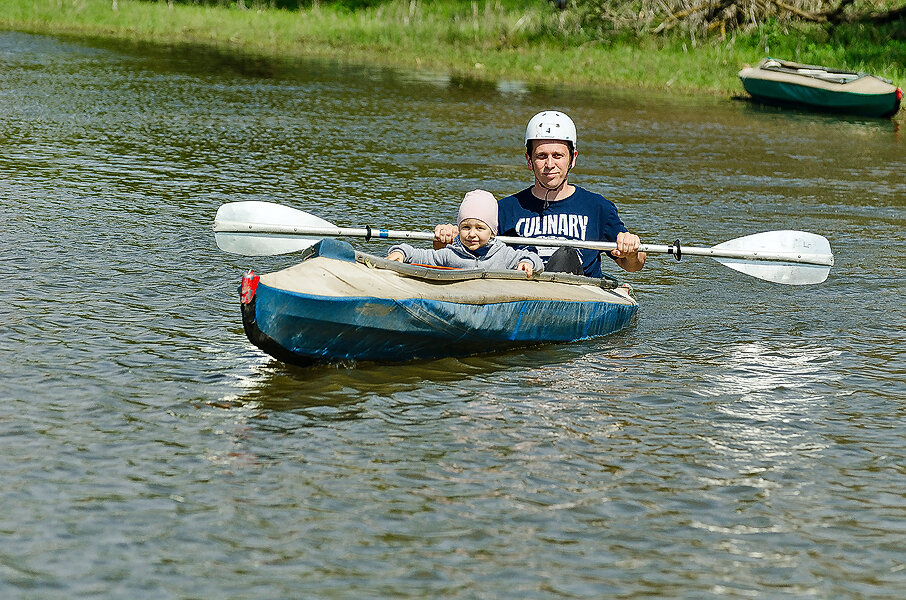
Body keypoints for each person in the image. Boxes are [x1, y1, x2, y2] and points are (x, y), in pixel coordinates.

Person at [434, 110, 646, 278]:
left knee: (566, 254)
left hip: (579, 294)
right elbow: (464, 252)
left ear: (572, 159)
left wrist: (631, 249)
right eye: (541, 156)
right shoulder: (504, 209)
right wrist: (444, 240)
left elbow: (633, 266)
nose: (550, 164)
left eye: (558, 155)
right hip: (521, 291)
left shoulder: (598, 207)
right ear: (529, 160)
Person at [387, 190, 543, 278]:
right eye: (466, 227)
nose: (472, 234)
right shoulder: (450, 254)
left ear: (492, 233)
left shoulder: (503, 254)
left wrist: (527, 263)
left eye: (480, 228)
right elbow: (418, 255)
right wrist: (400, 252)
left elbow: (533, 257)